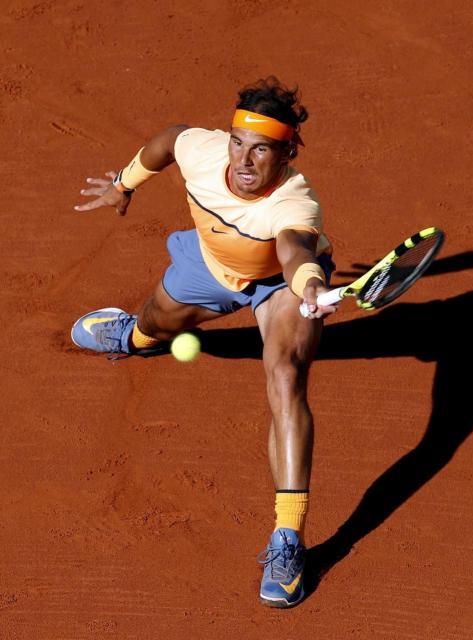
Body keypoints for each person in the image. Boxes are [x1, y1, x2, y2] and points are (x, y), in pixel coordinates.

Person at [71, 77, 338, 608]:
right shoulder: (202, 150)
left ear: (287, 152)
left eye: (261, 148)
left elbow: (294, 249)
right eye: (239, 142)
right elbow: (168, 140)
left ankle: (288, 538)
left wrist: (310, 285)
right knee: (154, 324)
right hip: (211, 264)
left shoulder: (293, 203)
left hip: (280, 285)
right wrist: (125, 184)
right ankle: (134, 334)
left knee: (285, 375)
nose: (244, 159)